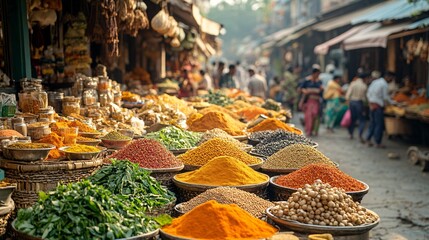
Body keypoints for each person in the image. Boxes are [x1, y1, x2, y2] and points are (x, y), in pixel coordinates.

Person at [365, 71, 395, 148]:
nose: (391, 80)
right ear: (388, 77)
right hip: (378, 106)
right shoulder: (384, 84)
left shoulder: (375, 82)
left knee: (372, 123)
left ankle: (368, 139)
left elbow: (368, 93)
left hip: (372, 105)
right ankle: (377, 142)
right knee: (379, 124)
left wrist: (370, 103)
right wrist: (393, 103)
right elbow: (385, 98)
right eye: (391, 78)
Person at [346, 72, 369, 141]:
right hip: (359, 103)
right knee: (362, 119)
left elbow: (348, 95)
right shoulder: (364, 86)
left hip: (352, 102)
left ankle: (351, 134)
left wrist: (348, 102)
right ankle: (360, 134)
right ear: (364, 78)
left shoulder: (353, 83)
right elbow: (365, 98)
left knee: (352, 119)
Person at [300, 68, 323, 136]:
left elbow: (321, 91)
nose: (318, 75)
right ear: (313, 73)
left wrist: (321, 89)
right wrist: (305, 91)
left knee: (315, 115)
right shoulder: (307, 80)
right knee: (309, 116)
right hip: (309, 101)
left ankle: (314, 130)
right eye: (317, 74)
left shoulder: (319, 81)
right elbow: (301, 88)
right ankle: (308, 130)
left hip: (316, 101)